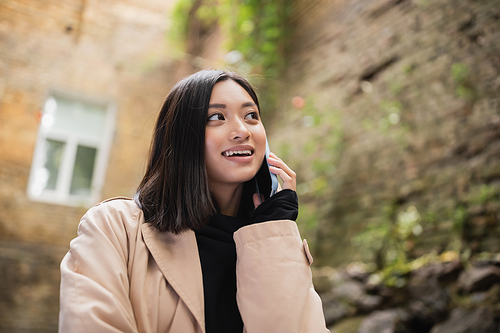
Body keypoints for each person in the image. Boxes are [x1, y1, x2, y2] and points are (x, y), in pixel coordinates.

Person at [58, 69, 329, 333]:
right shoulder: (114, 229)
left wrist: (273, 235)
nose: (241, 130)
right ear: (182, 138)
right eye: (216, 117)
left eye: (251, 116)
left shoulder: (273, 241)